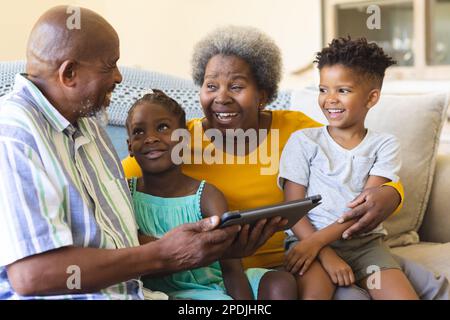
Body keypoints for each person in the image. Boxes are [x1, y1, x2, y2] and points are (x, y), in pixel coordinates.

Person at [122, 25, 449, 299]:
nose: (221, 97)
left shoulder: (296, 130)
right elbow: (114, 192)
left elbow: (366, 162)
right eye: (211, 86)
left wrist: (392, 194)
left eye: (236, 86)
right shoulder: (174, 144)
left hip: (308, 259)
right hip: (228, 275)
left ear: (263, 93)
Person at [0, 7, 284, 300]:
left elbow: (117, 242)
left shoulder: (88, 124)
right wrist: (161, 255)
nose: (120, 77)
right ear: (69, 73)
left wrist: (211, 248)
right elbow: (31, 275)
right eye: (110, 65)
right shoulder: (14, 136)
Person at [279, 37, 418, 299]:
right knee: (314, 296)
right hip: (306, 241)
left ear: (371, 97)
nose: (330, 99)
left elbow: (366, 209)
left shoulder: (384, 145)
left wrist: (319, 243)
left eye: (342, 90)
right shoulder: (304, 141)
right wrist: (323, 250)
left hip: (365, 245)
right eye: (323, 89)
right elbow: (292, 208)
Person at [125, 89, 297, 300]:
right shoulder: (124, 193)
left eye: (162, 128)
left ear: (184, 141)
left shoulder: (206, 195)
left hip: (216, 283)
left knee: (281, 282)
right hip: (161, 291)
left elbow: (231, 267)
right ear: (129, 147)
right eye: (138, 132)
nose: (150, 138)